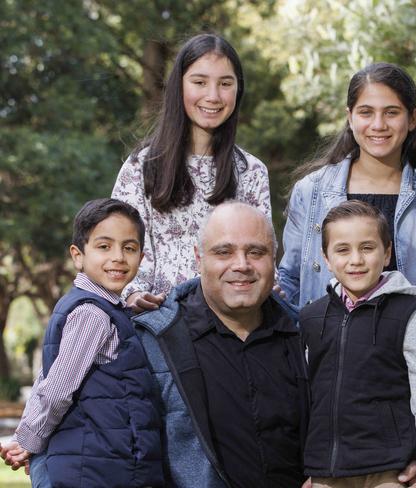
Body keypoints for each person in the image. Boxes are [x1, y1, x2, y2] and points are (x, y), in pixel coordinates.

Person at [133, 201, 309, 488]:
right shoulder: (154, 341)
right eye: (223, 252)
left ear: (274, 259)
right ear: (198, 258)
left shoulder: (307, 335)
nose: (241, 265)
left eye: (256, 252)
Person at [1, 198, 163, 487]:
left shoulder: (94, 307)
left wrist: (25, 434)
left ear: (141, 255)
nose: (118, 257)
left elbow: (47, 377)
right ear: (78, 256)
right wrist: (30, 440)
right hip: (95, 466)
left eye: (129, 247)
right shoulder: (93, 314)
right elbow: (57, 390)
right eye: (104, 246)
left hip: (94, 462)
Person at [112, 33, 271, 312]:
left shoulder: (251, 171)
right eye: (199, 82)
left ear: (238, 90)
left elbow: (262, 252)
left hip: (233, 320)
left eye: (225, 84)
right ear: (179, 86)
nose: (213, 96)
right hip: (159, 320)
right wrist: (133, 293)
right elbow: (123, 245)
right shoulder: (141, 165)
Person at [300, 200, 416, 488]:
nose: (356, 259)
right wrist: (307, 465)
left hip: (388, 469)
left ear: (387, 253)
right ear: (326, 258)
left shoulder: (410, 313)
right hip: (327, 472)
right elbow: (308, 401)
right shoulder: (312, 317)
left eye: (367, 248)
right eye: (342, 250)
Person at [278, 62, 416, 310]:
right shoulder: (311, 191)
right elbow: (291, 278)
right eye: (366, 112)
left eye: (391, 112)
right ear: (350, 117)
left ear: (413, 118)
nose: (379, 124)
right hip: (327, 343)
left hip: (406, 343)